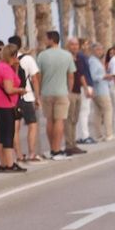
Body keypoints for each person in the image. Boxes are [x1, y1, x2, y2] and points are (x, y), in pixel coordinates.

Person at [35, 30, 73, 161]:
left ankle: (52, 149)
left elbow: (38, 76)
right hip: (62, 92)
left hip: (46, 92)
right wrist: (69, 90)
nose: (45, 41)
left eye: (46, 38)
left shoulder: (42, 56)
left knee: (50, 120)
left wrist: (38, 92)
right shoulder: (67, 55)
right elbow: (71, 75)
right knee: (59, 120)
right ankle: (57, 150)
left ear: (52, 40)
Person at [0, 42, 23, 173]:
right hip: (4, 104)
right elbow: (9, 89)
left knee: (2, 134)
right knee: (9, 133)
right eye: (16, 56)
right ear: (12, 55)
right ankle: (9, 164)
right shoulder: (6, 69)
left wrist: (16, 68)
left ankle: (3, 164)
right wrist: (20, 90)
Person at [15, 38, 40, 162]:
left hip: (12, 98)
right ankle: (31, 153)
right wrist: (37, 97)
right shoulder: (28, 59)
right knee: (32, 125)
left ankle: (19, 156)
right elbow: (35, 79)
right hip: (27, 97)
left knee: (15, 128)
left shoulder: (5, 60)